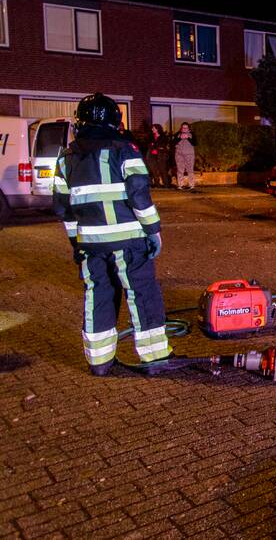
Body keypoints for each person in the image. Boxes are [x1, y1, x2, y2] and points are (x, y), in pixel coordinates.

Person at [52, 93, 171, 376]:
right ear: (115, 122)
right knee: (141, 294)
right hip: (129, 242)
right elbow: (139, 197)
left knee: (98, 296)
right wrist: (153, 231)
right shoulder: (125, 150)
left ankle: (100, 361)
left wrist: (76, 243)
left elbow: (64, 209)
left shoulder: (66, 158)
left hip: (90, 245)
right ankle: (155, 358)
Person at [144, 124, 172, 188]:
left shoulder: (163, 136)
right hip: (152, 155)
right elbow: (149, 144)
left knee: (162, 169)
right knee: (154, 170)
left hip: (161, 155)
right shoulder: (150, 136)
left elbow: (163, 145)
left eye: (153, 128)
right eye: (152, 128)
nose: (152, 129)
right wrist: (156, 146)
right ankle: (157, 184)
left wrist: (155, 145)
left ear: (157, 129)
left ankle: (166, 185)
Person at [173, 122, 198, 190]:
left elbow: (195, 143)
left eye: (186, 128)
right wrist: (180, 138)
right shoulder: (177, 134)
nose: (184, 129)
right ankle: (180, 185)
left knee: (190, 170)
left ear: (189, 129)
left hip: (189, 155)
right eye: (183, 128)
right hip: (179, 155)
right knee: (180, 170)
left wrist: (188, 138)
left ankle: (191, 185)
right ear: (181, 128)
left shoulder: (192, 134)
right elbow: (173, 143)